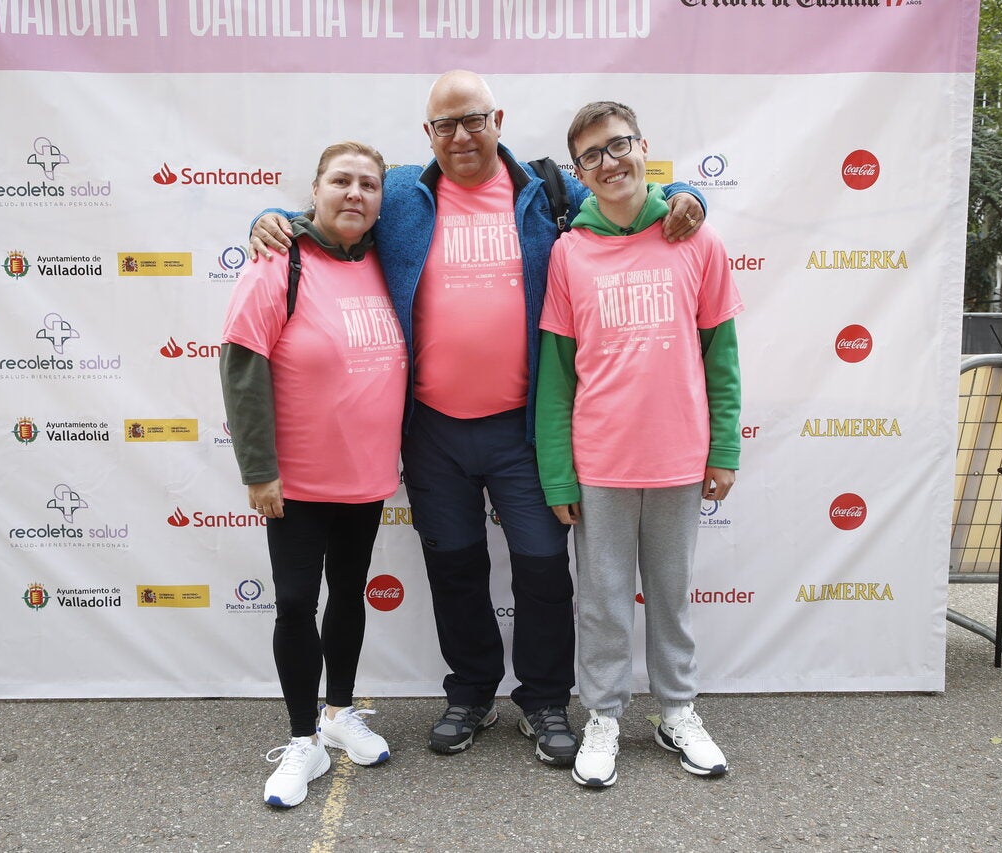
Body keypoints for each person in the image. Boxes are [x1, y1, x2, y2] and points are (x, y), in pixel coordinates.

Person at [247, 70, 707, 768]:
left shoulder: (546, 190)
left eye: (473, 120)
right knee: (454, 567)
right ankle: (471, 693)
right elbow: (333, 209)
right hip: (432, 428)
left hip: (523, 428)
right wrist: (265, 218)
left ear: (498, 120)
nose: (460, 135)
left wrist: (690, 195)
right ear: (427, 133)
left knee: (543, 568)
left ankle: (545, 700)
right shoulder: (402, 192)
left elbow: (629, 192)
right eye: (445, 124)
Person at [535, 101, 743, 788]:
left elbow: (721, 356)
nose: (610, 162)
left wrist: (724, 447)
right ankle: (603, 715)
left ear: (643, 147)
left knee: (672, 594)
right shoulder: (569, 253)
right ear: (579, 172)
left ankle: (677, 709)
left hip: (680, 457)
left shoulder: (697, 239)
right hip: (600, 462)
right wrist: (558, 472)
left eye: (618, 145)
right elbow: (557, 375)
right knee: (602, 601)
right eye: (592, 155)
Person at [220, 141, 405, 808]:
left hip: (366, 473)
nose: (355, 193)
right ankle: (304, 738)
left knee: (349, 593)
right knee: (297, 601)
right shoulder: (280, 259)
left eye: (368, 184)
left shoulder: (388, 257)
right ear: (316, 189)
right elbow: (243, 364)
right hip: (295, 479)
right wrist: (259, 468)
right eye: (341, 181)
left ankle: (340, 711)